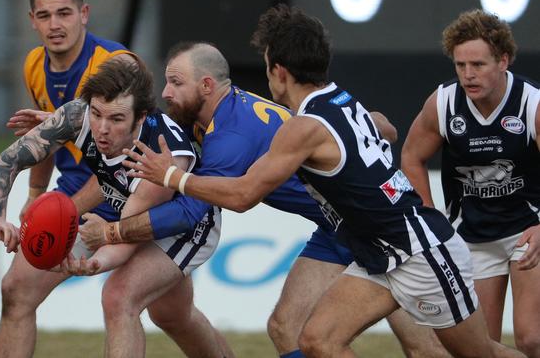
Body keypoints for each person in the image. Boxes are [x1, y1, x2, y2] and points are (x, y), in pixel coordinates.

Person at [120, 5, 527, 358]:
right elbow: (385, 128)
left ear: (279, 71)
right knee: (315, 340)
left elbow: (243, 195)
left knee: (475, 353)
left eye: (267, 66)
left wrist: (172, 175)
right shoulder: (338, 98)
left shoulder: (303, 128)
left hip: (418, 251)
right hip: (374, 247)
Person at [65, 41, 449, 358]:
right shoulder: (221, 113)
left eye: (175, 83)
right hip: (337, 227)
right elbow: (382, 125)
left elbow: (191, 212)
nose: (166, 93)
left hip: (376, 226)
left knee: (424, 348)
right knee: (286, 327)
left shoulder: (228, 138)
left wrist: (114, 231)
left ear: (206, 86)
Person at [0, 58, 230, 358]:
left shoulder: (158, 157)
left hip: (182, 224)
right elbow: (7, 162)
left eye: (116, 119)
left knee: (119, 297)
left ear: (140, 118)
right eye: (97, 114)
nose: (101, 129)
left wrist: (93, 265)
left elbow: (126, 234)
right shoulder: (77, 115)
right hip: (120, 199)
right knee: (17, 286)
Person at [401, 9, 540, 357]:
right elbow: (411, 157)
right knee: (481, 348)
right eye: (460, 65)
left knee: (531, 337)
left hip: (527, 228)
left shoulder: (532, 103)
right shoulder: (443, 103)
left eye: (478, 64)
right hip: (473, 237)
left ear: (503, 61)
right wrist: (430, 218)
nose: (468, 74)